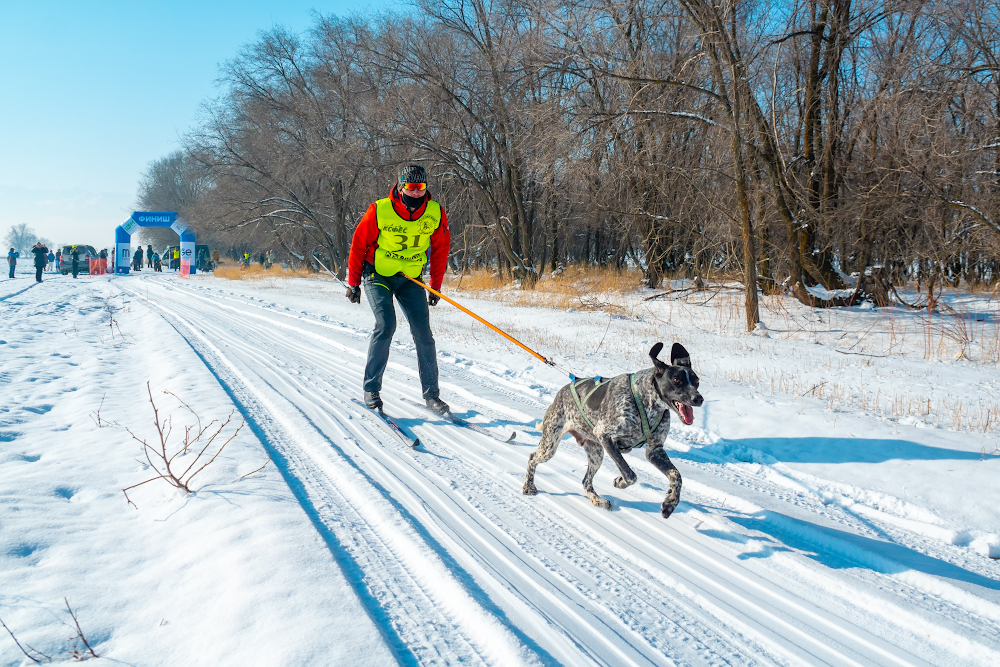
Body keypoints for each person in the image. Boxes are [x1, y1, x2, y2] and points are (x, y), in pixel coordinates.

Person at [346, 164, 451, 414]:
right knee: (386, 325)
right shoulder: (380, 209)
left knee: (423, 333)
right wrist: (353, 283)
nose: (416, 192)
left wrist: (435, 286)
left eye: (421, 187)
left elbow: (440, 250)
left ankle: (432, 396)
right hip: (378, 274)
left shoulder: (435, 212)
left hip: (410, 278)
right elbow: (359, 244)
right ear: (401, 186)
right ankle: (371, 388)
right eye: (411, 187)